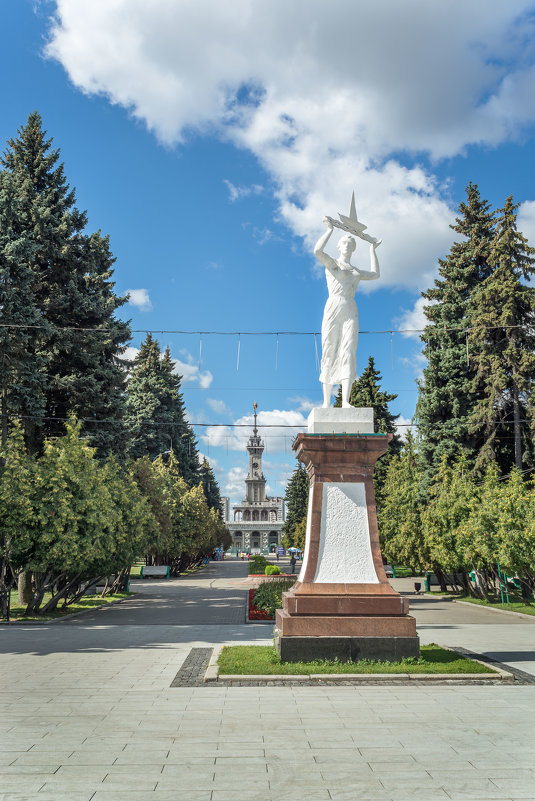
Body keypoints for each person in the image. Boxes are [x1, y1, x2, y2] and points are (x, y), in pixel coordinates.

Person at [314, 217, 381, 407]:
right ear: (338, 246)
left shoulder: (356, 271)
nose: (347, 245)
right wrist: (329, 230)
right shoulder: (333, 264)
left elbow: (376, 274)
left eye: (350, 243)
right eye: (344, 243)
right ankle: (326, 403)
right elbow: (317, 251)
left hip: (350, 308)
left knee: (348, 351)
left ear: (353, 248)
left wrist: (372, 250)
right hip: (334, 306)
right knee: (330, 349)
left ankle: (345, 401)